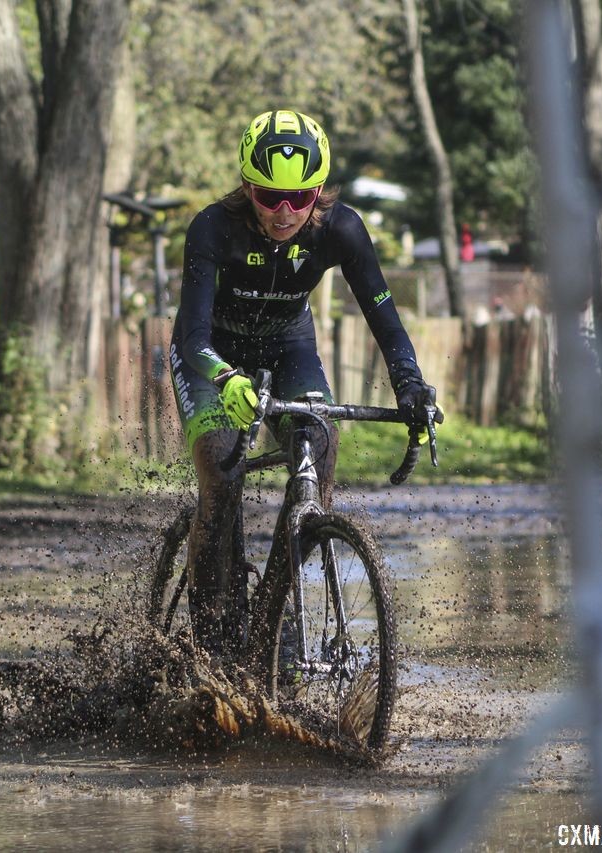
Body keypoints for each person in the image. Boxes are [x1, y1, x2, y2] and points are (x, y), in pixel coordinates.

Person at [167, 108, 440, 653]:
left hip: (288, 346)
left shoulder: (341, 229)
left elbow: (384, 316)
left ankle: (277, 622)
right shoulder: (211, 227)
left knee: (318, 450)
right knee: (223, 473)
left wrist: (410, 384)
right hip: (212, 354)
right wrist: (225, 378)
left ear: (320, 190)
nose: (286, 211)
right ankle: (211, 637)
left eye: (301, 197)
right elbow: (190, 334)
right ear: (248, 188)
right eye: (270, 197)